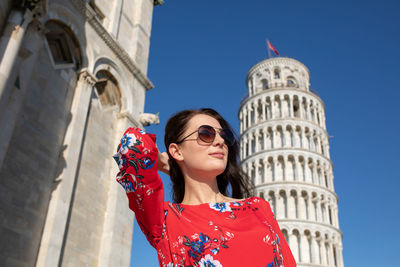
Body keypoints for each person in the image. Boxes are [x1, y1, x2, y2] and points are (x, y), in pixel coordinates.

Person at [113, 108, 296, 267]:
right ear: (176, 151)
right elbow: (131, 145)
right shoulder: (164, 221)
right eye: (206, 134)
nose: (220, 142)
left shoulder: (257, 208)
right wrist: (165, 165)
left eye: (224, 136)